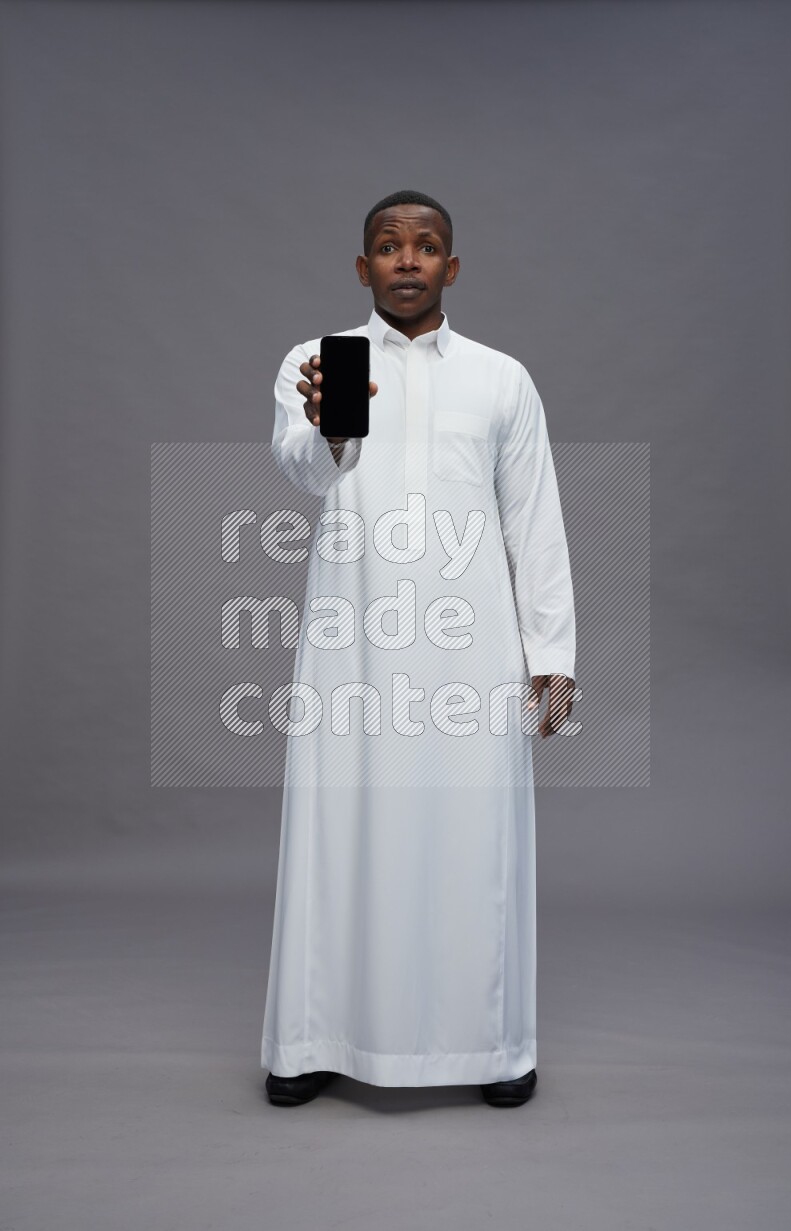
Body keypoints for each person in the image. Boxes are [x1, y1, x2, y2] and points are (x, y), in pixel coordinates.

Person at [261, 189, 576, 1109]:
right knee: (338, 830)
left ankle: (492, 1046)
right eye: (389, 247)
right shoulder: (313, 364)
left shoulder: (501, 378)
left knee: (472, 837)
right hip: (352, 641)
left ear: (452, 266)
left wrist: (551, 653)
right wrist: (332, 428)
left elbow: (536, 520)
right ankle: (314, 1038)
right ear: (363, 268)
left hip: (469, 652)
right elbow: (302, 471)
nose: (408, 259)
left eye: (427, 245)